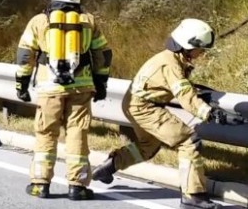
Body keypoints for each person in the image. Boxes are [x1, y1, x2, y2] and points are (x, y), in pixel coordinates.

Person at [91, 18, 228, 209]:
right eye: (201, 48)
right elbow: (184, 95)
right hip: (145, 107)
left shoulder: (169, 57)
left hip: (135, 103)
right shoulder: (170, 64)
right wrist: (211, 114)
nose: (202, 53)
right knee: (189, 142)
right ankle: (193, 197)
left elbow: (180, 87)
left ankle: (109, 167)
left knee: (148, 146)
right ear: (188, 46)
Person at [15, 0, 113, 200]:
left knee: (46, 133)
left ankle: (40, 183)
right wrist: (101, 83)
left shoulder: (39, 22)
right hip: (81, 89)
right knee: (78, 133)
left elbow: (24, 56)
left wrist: (21, 84)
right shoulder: (89, 21)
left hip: (49, 89)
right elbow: (103, 55)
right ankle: (77, 187)